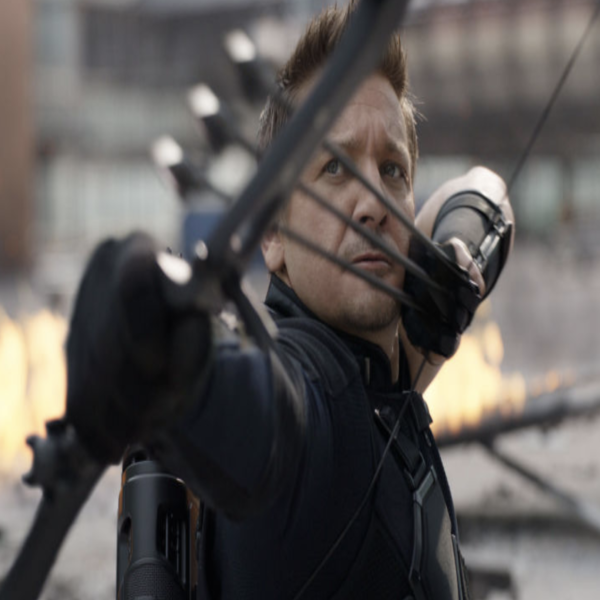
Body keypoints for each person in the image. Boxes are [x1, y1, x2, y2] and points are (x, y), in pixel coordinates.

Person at [65, 2, 514, 599]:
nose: (372, 203)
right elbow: (266, 406)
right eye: (334, 169)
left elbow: (485, 191)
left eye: (393, 171)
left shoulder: (390, 365)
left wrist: (456, 257)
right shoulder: (314, 395)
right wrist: (172, 348)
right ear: (273, 234)